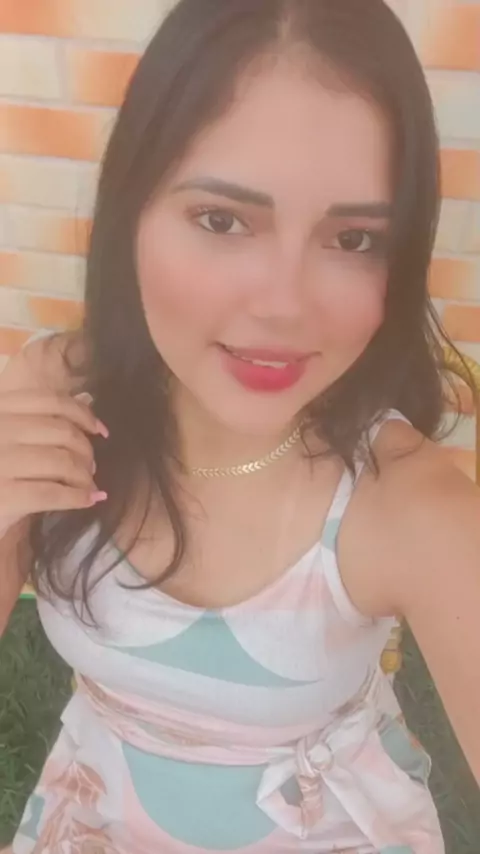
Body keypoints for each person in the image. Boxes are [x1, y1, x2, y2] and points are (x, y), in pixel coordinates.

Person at [0, 0, 479, 851]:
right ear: (129, 213)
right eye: (222, 221)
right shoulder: (57, 401)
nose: (284, 306)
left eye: (354, 239)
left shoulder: (407, 504)